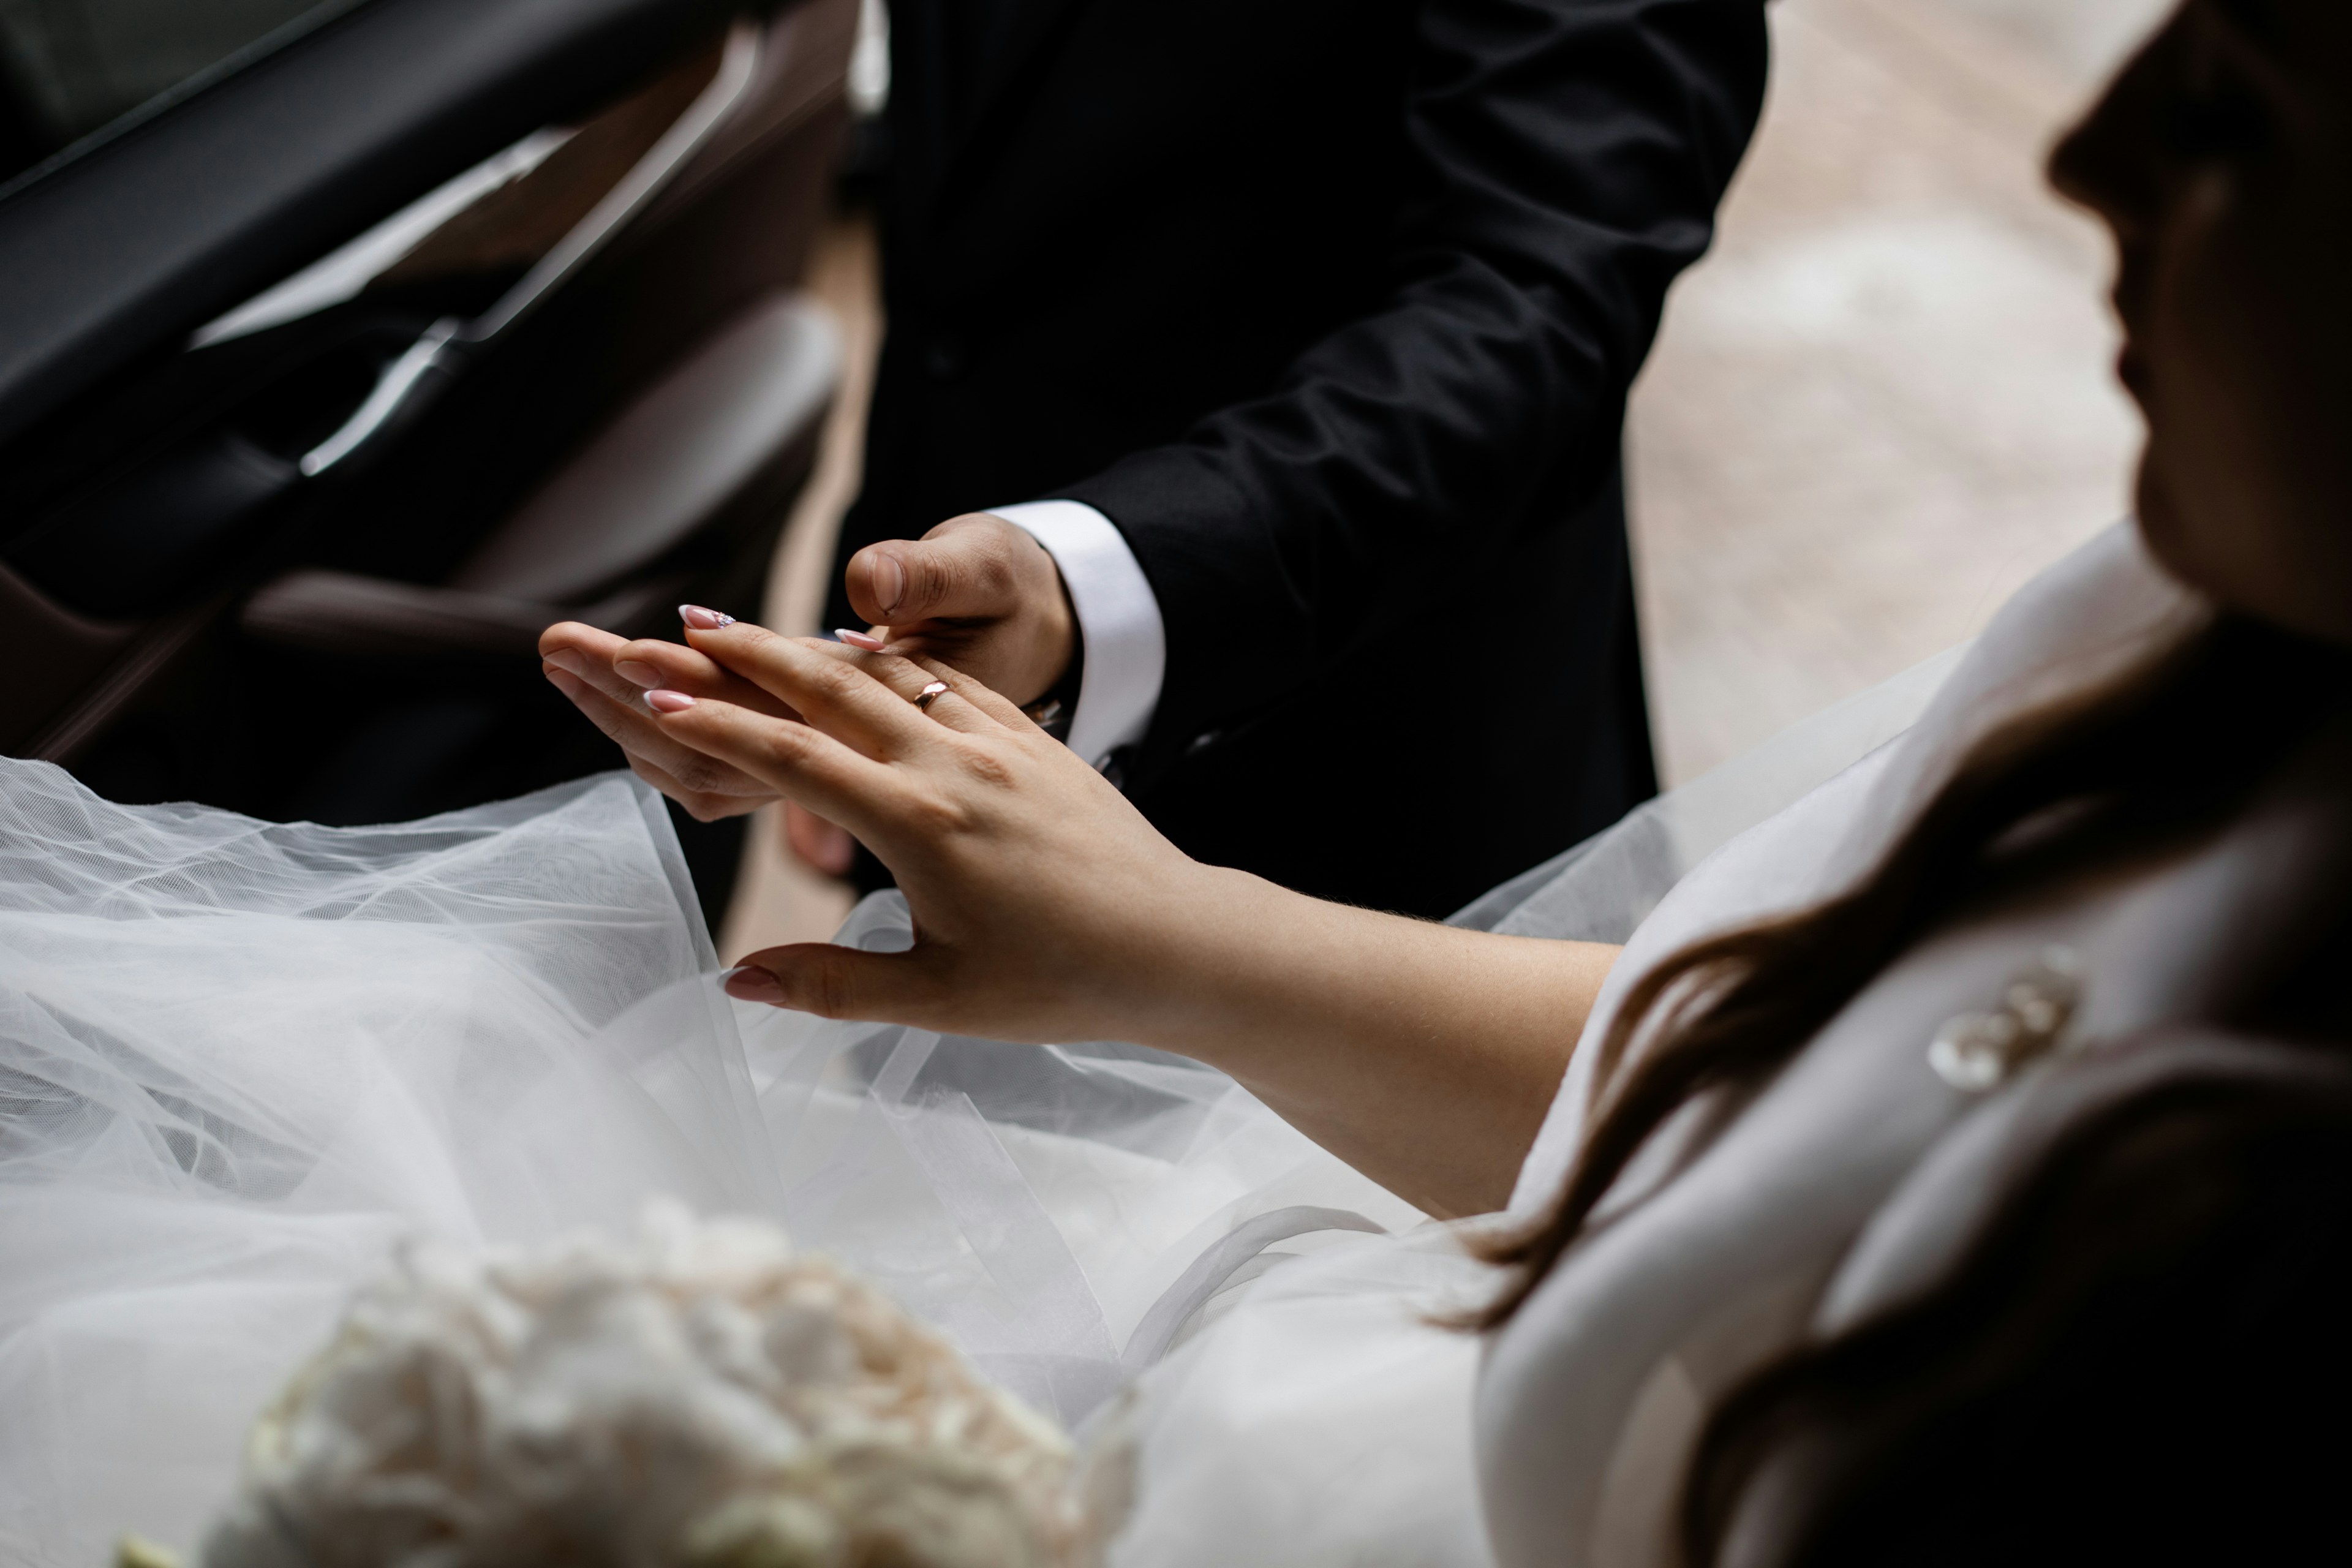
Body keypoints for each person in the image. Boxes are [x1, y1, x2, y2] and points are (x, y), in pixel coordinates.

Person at [3, 1, 2348, 1563]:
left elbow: (1539, 276)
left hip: (1386, 729)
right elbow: (1761, 1052)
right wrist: (1119, 905)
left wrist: (1130, 621)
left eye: (2241, 87)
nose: (2095, 145)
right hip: (1142, 821)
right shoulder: (2162, 624)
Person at [544, 0, 1771, 919]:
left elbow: (1534, 295)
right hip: (961, 686)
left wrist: (1081, 587)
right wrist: (888, 655)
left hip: (1361, 777)